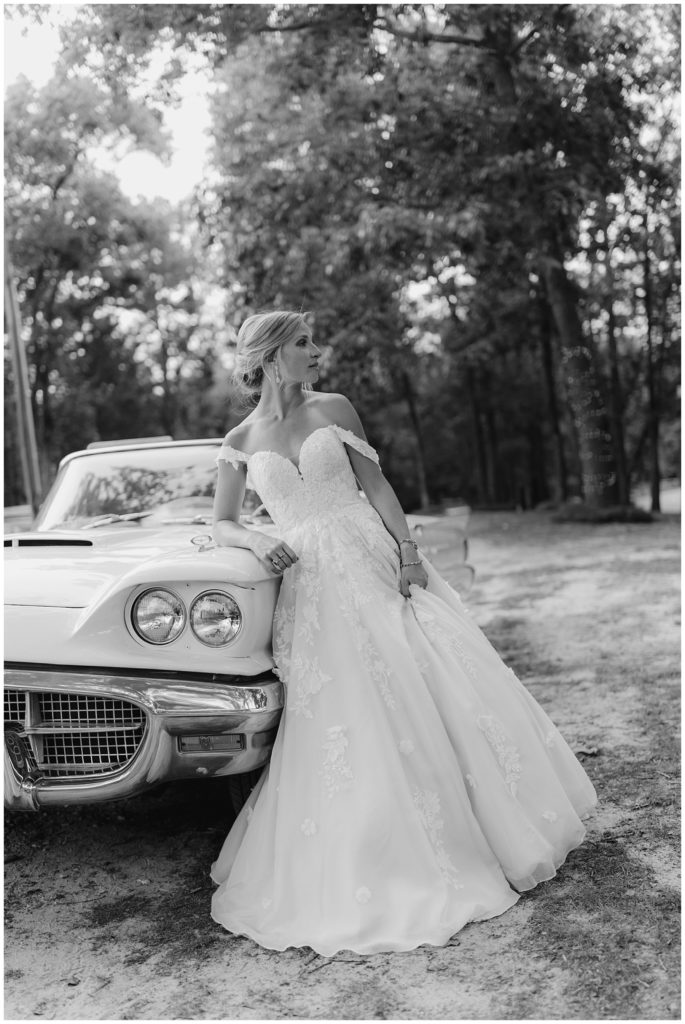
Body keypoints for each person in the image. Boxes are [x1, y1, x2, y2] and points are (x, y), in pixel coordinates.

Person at [210, 309, 597, 957]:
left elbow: (376, 486)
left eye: (311, 340)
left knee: (420, 676)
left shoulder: (334, 408)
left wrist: (407, 553)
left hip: (367, 556)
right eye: (303, 343)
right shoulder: (240, 440)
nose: (316, 351)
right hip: (308, 586)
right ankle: (371, 842)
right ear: (272, 356)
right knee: (344, 711)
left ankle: (482, 827)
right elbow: (221, 521)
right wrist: (254, 538)